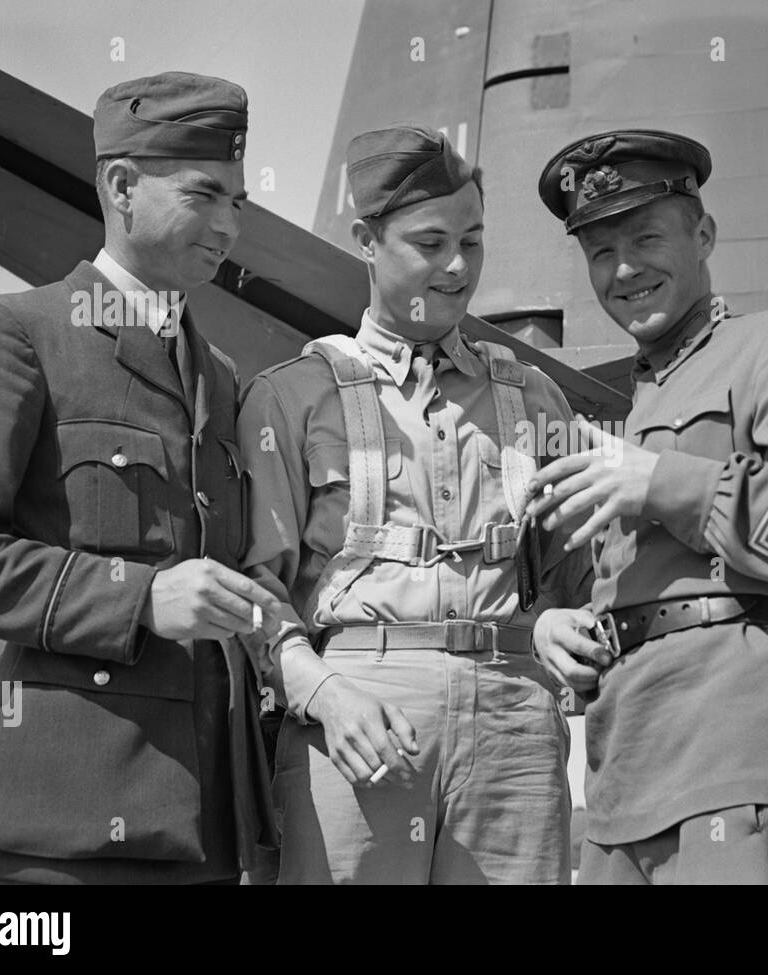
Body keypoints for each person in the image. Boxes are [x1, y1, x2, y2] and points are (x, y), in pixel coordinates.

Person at [0, 71, 281, 884]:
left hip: (207, 829)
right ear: (121, 185)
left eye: (239, 202)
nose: (228, 225)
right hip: (63, 833)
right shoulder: (16, 332)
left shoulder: (218, 376)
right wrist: (139, 596)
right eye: (204, 195)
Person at [528, 129, 768, 884]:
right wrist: (553, 622)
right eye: (600, 252)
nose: (624, 269)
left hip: (745, 768)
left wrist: (665, 483)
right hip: (621, 784)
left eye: (646, 236)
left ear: (703, 234)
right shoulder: (629, 409)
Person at [236, 125, 591, 884]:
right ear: (367, 240)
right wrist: (323, 692)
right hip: (358, 720)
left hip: (514, 724)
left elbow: (573, 576)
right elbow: (257, 586)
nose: (458, 266)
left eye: (472, 239)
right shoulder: (289, 397)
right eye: (430, 243)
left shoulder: (534, 396)